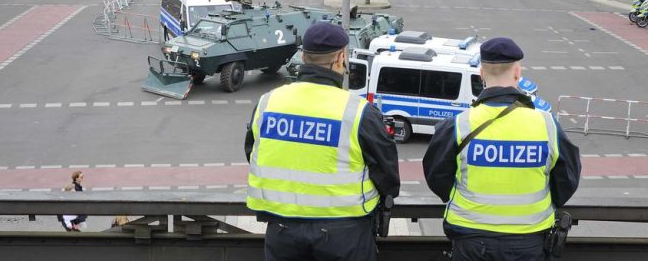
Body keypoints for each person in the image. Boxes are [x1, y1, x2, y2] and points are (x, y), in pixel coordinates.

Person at [244, 22, 400, 261]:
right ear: (340, 58)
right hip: (345, 234)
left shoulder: (268, 102)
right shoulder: (359, 112)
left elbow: (252, 152)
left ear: (304, 57)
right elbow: (388, 175)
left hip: (282, 230)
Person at [423, 37, 581, 261]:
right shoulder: (547, 125)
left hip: (471, 240)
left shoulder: (458, 124)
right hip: (529, 240)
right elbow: (567, 179)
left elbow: (436, 175)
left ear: (481, 75)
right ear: (518, 73)